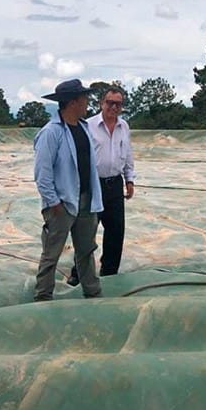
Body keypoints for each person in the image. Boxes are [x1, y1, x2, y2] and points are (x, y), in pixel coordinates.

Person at [32, 79, 103, 301]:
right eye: (84, 99)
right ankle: (43, 296)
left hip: (86, 201)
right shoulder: (51, 133)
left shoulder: (83, 128)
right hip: (61, 204)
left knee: (86, 251)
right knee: (51, 253)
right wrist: (54, 202)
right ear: (73, 102)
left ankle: (92, 292)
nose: (87, 103)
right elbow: (42, 174)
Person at [68, 86, 135, 283]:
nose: (113, 107)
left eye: (118, 104)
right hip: (93, 185)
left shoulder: (124, 127)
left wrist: (129, 179)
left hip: (115, 184)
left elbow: (128, 155)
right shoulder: (88, 126)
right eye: (110, 103)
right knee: (86, 231)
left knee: (116, 231)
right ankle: (78, 274)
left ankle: (109, 273)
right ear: (101, 103)